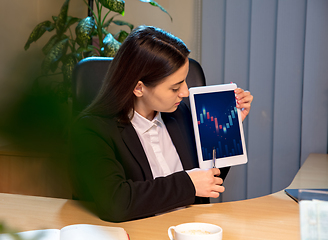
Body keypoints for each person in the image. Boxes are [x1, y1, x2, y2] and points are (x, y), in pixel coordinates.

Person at [70, 25, 253, 222]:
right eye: (175, 87)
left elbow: (208, 180)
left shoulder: (179, 113)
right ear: (139, 88)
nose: (185, 92)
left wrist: (226, 130)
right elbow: (116, 202)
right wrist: (187, 184)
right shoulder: (92, 130)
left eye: (184, 81)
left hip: (190, 228)